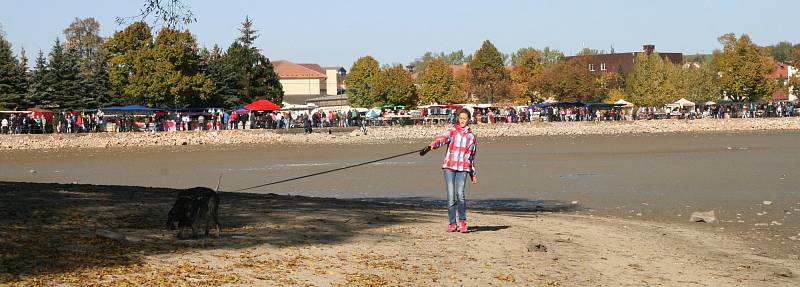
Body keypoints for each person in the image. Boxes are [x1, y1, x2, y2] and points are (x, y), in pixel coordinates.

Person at [427, 109, 477, 233]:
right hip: (449, 167)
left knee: (460, 195)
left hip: (463, 168)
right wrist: (434, 144)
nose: (462, 121)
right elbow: (442, 139)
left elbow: (471, 156)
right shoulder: (452, 131)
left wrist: (473, 173)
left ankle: (463, 222)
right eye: (460, 118)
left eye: (465, 118)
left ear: (469, 120)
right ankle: (452, 223)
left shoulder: (472, 137)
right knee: (450, 195)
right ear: (458, 119)